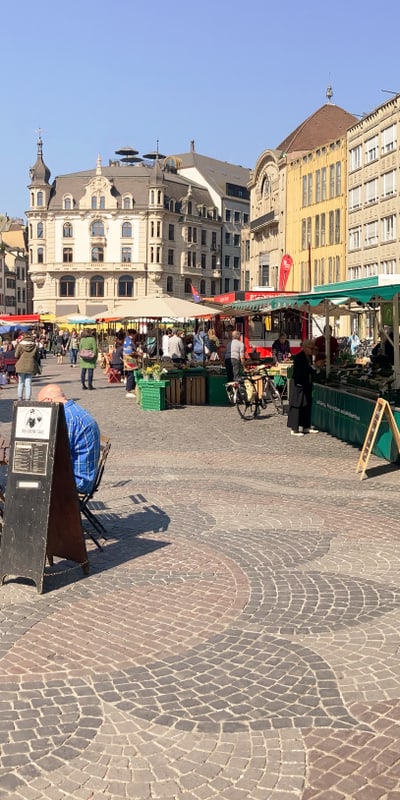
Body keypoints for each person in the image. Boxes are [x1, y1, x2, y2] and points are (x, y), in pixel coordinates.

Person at [37, 383, 100, 494]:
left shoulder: (66, 417)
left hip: (79, 480)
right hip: (85, 474)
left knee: (28, 482)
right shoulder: (73, 409)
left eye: (41, 405)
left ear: (47, 400)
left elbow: (58, 454)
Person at [287, 339, 319, 436]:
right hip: (299, 384)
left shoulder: (308, 356)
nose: (312, 350)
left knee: (306, 404)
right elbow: (303, 370)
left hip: (306, 384)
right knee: (297, 405)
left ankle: (306, 426)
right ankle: (294, 428)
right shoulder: (299, 357)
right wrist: (314, 368)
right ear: (305, 347)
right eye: (311, 348)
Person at [15, 331, 40, 402]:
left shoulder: (20, 345)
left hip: (21, 365)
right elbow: (37, 357)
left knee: (21, 382)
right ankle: (28, 398)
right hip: (30, 365)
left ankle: (20, 397)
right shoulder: (34, 345)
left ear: (24, 336)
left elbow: (16, 355)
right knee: (28, 383)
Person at [123, 328, 138, 398]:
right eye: (135, 335)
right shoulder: (129, 341)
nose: (135, 336)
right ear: (132, 334)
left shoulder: (127, 340)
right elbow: (129, 352)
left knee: (131, 375)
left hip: (128, 360)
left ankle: (130, 389)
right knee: (131, 375)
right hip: (130, 361)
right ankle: (129, 389)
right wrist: (136, 353)